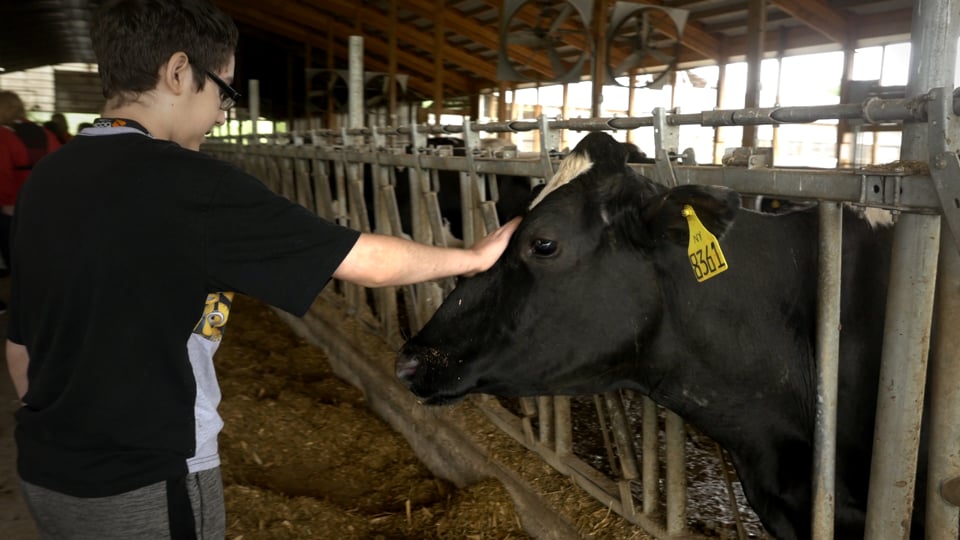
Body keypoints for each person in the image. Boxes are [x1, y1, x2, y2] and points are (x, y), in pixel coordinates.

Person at [4, 1, 519, 539]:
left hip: (47, 471)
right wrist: (473, 258)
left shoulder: (47, 178)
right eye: (224, 91)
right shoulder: (192, 184)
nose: (225, 113)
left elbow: (20, 352)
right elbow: (366, 262)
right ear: (179, 72)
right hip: (144, 481)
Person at [0, 91, 62, 282]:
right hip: (46, 204)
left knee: (15, 261)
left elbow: (3, 174)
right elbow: (60, 167)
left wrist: (7, 202)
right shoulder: (45, 133)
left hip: (12, 206)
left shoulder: (3, 136)